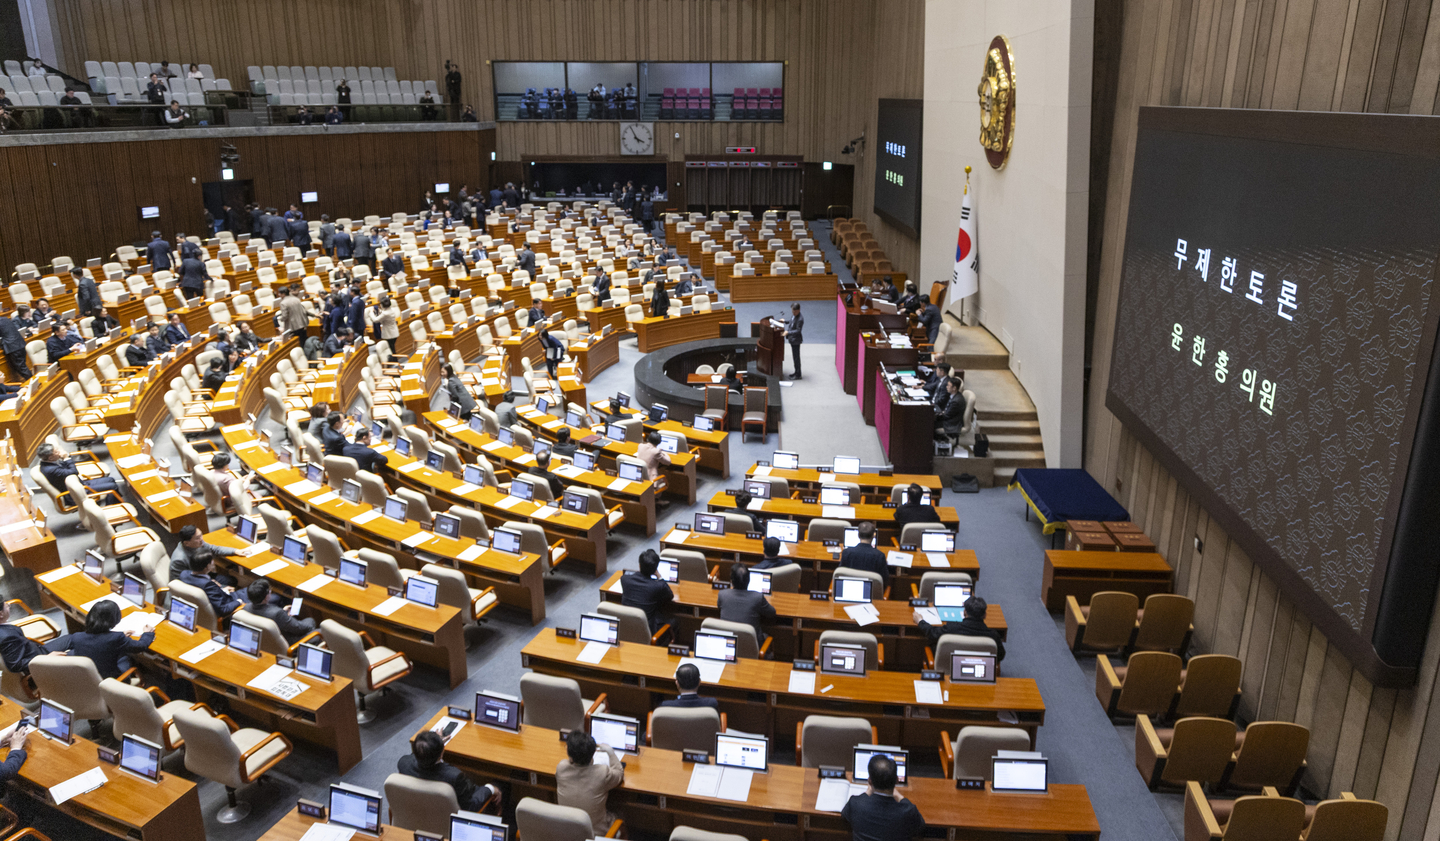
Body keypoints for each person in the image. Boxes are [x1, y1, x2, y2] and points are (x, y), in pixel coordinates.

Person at [47, 600, 156, 680]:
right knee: (126, 654)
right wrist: (148, 633)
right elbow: (141, 646)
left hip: (88, 679)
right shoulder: (117, 638)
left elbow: (100, 641)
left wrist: (120, 637)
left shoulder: (77, 637)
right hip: (112, 681)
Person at [399, 730, 501, 812]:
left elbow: (416, 756)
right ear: (441, 753)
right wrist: (491, 788)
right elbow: (470, 806)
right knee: (500, 784)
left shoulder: (403, 763)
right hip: (446, 822)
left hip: (416, 813)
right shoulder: (454, 777)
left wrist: (434, 744)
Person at [841, 754, 926, 841]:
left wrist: (867, 792)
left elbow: (844, 815)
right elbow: (920, 827)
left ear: (870, 781)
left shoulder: (856, 804)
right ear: (897, 780)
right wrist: (900, 797)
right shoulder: (908, 811)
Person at [557, 729, 624, 836]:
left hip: (567, 831)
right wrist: (610, 752)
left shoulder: (561, 768)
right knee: (621, 814)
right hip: (594, 835)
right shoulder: (602, 772)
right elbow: (619, 773)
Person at [916, 595, 1005, 661]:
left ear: (964, 612)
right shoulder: (993, 636)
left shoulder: (951, 628)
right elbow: (1000, 655)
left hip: (947, 667)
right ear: (985, 615)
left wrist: (920, 621)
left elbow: (932, 632)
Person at [245, 580, 316, 645]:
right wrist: (284, 615)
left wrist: (284, 613)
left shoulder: (246, 608)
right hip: (286, 643)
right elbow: (299, 628)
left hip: (262, 641)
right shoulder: (277, 613)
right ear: (266, 597)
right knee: (312, 622)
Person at [718, 563, 777, 642]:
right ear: (749, 580)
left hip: (728, 642)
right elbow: (772, 613)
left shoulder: (722, 594)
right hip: (752, 646)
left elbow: (719, 607)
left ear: (731, 581)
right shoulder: (757, 597)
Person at [619, 549, 673, 634]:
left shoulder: (624, 579)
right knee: (674, 622)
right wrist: (659, 577)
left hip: (626, 627)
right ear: (656, 569)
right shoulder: (658, 586)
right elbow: (670, 595)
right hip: (647, 630)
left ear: (639, 565)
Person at [180, 550, 244, 619]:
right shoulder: (207, 585)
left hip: (199, 608)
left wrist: (221, 590)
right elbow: (223, 610)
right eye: (212, 561)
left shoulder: (184, 574)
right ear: (207, 566)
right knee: (248, 592)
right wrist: (239, 601)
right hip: (229, 602)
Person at [169, 524, 239, 581]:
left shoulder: (198, 543)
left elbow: (214, 549)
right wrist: (209, 583)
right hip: (193, 582)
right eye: (197, 538)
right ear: (187, 543)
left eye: (201, 535)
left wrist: (235, 551)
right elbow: (181, 583)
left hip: (202, 574)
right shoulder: (179, 560)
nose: (201, 539)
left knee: (232, 580)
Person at [0, 599, 49, 674]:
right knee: (73, 644)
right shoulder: (7, 637)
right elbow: (16, 665)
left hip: (33, 650)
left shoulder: (5, 630)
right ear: (1, 614)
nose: (9, 607)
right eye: (7, 606)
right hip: (40, 662)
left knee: (73, 638)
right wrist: (47, 658)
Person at [839, 522, 889, 586]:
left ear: (858, 535)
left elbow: (841, 573)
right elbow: (884, 579)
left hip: (850, 587)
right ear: (874, 536)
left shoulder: (846, 552)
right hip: (872, 592)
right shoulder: (880, 556)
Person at [0, 312, 29, 379]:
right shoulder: (5, 319)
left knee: (22, 369)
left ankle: (34, 386)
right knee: (23, 367)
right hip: (20, 344)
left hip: (13, 348)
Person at [784, 302, 804, 379]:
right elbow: (792, 321)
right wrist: (785, 321)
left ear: (798, 310)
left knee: (796, 358)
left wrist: (788, 332)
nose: (793, 312)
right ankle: (796, 372)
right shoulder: (795, 315)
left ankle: (798, 374)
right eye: (792, 311)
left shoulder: (800, 319)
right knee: (795, 357)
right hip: (792, 340)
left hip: (796, 340)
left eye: (794, 311)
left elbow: (798, 331)